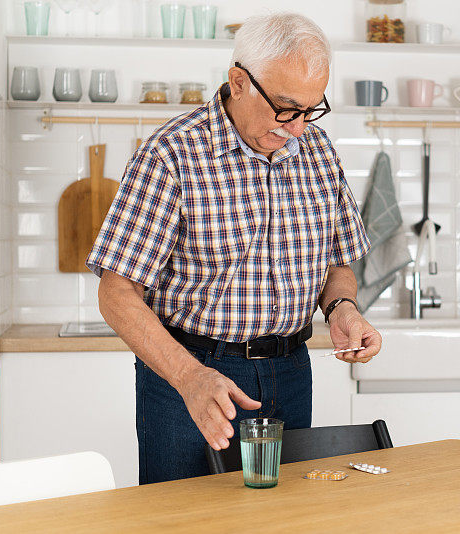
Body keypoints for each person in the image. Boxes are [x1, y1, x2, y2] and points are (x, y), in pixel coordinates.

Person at [86, 12, 382, 484]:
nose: (298, 128)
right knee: (184, 519)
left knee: (283, 520)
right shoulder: (172, 154)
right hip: (193, 376)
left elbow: (336, 262)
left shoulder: (319, 152)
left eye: (311, 110)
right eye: (286, 108)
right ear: (239, 82)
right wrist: (188, 378)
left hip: (290, 373)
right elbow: (116, 293)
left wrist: (343, 310)